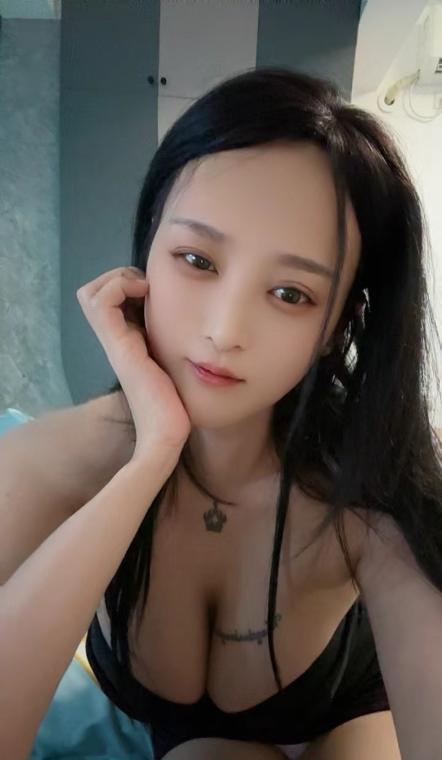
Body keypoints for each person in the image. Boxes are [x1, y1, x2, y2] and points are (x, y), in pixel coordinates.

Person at [1, 66, 441, 760]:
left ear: (337, 326)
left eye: (291, 294)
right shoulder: (52, 462)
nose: (224, 330)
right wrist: (149, 459)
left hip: (356, 710)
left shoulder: (373, 483)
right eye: (196, 259)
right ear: (147, 249)